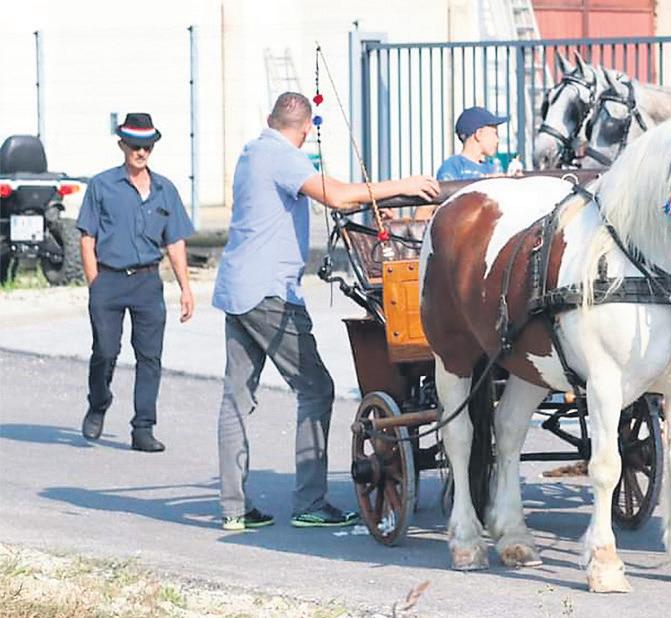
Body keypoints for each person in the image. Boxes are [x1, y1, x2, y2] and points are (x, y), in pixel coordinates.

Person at [213, 92, 439, 531]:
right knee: (316, 388)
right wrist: (403, 185)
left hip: (238, 288)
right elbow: (336, 196)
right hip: (270, 294)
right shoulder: (281, 155)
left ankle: (233, 508)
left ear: (270, 118)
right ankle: (309, 502)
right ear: (304, 129)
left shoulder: (252, 151)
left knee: (236, 399)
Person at [77, 113, 194, 452]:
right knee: (105, 351)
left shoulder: (164, 190)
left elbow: (175, 242)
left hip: (147, 282)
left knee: (150, 357)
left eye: (147, 147)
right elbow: (87, 237)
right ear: (122, 145)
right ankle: (98, 403)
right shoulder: (102, 185)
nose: (141, 152)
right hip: (109, 280)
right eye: (134, 146)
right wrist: (95, 282)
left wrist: (186, 289)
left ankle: (143, 427)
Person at [436, 106, 510, 181]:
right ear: (479, 134)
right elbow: (449, 187)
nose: (497, 140)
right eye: (495, 133)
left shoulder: (491, 168)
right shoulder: (453, 167)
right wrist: (485, 182)